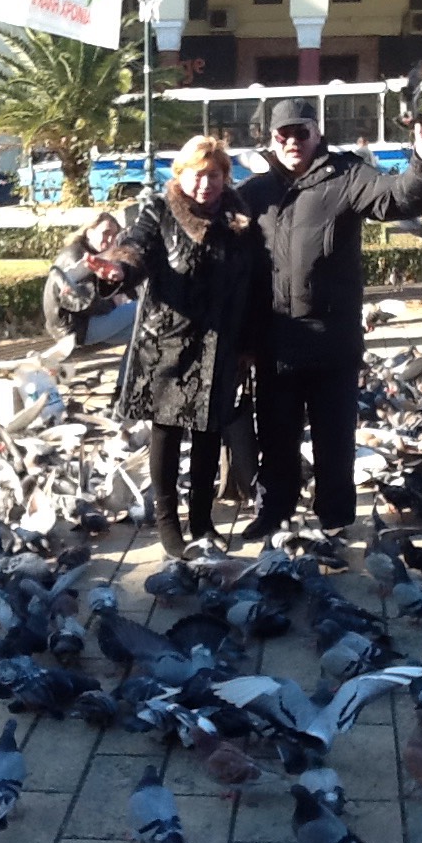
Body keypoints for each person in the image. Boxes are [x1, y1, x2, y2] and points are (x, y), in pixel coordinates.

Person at [238, 97, 422, 542]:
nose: (293, 142)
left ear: (317, 133)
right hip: (276, 342)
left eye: (301, 132)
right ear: (271, 139)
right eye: (283, 134)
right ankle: (274, 511)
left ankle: (335, 518)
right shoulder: (255, 192)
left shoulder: (347, 176)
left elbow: (399, 198)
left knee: (334, 441)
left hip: (332, 342)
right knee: (275, 439)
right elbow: (211, 240)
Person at [96, 136, 263, 559]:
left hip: (221, 342)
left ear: (226, 177)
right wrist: (117, 270)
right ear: (181, 175)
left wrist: (250, 342)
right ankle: (168, 522)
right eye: (197, 175)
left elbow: (253, 282)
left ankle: (202, 521)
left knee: (209, 433)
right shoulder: (160, 210)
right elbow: (136, 248)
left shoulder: (239, 217)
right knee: (167, 434)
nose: (206, 184)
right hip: (168, 344)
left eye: (214, 175)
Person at [42, 212, 137, 400]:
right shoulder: (76, 257)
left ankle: (122, 393)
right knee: (142, 309)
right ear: (89, 232)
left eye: (114, 235)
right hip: (74, 330)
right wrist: (113, 303)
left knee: (141, 334)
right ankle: (123, 392)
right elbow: (78, 301)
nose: (109, 239)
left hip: (81, 325)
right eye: (105, 233)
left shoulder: (94, 254)